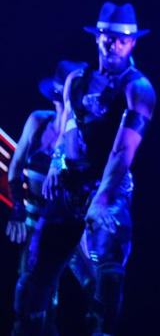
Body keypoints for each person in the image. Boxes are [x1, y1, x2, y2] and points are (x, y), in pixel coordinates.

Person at [12, 3, 156, 336]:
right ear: (97, 37)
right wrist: (57, 163)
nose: (113, 45)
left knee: (107, 275)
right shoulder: (77, 80)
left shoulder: (138, 89)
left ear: (133, 42)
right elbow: (68, 126)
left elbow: (123, 150)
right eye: (108, 36)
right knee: (33, 279)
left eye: (122, 39)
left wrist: (102, 198)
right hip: (69, 187)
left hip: (109, 189)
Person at [6, 61, 95, 336]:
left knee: (94, 285)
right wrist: (18, 209)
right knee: (36, 297)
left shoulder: (80, 137)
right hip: (35, 221)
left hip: (66, 224)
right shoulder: (38, 121)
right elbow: (15, 167)